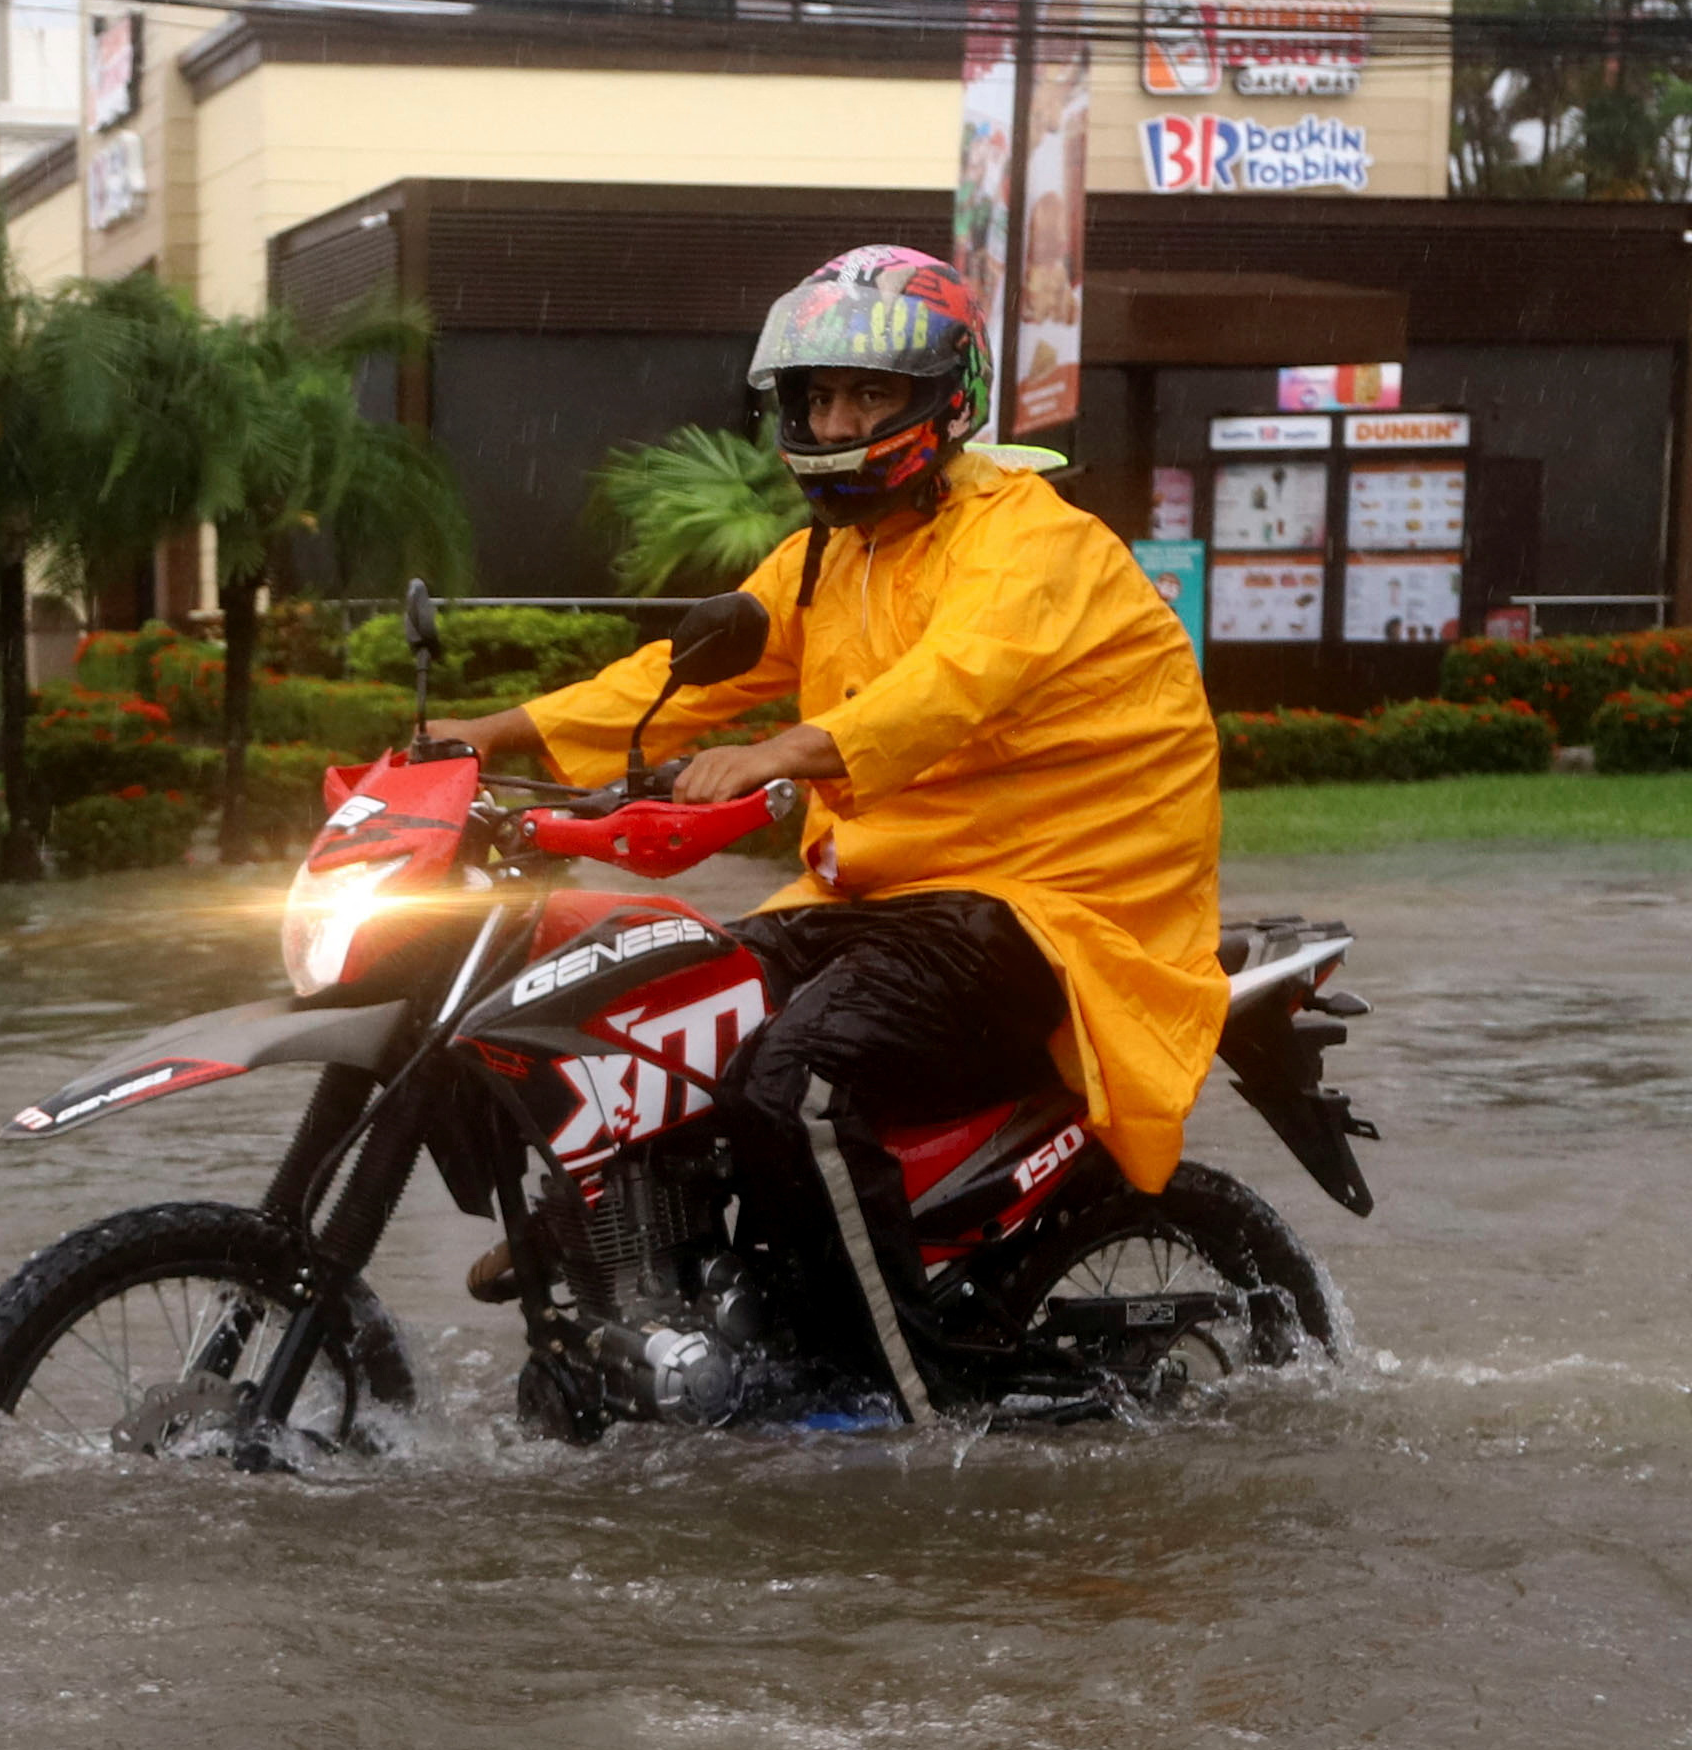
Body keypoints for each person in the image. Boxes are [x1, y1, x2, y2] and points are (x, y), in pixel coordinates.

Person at [433, 244, 1224, 1414]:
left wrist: (783, 752)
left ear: (942, 400)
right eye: (816, 395)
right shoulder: (823, 559)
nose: (835, 417)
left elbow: (952, 681)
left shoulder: (1031, 541)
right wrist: (487, 734)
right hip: (877, 899)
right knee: (654, 1009)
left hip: (1041, 910)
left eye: (867, 393)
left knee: (789, 1079)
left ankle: (898, 1389)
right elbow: (680, 675)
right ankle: (632, 1258)